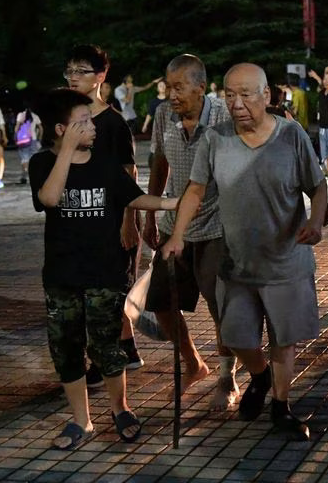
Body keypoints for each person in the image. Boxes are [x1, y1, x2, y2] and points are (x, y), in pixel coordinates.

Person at [163, 63, 327, 441]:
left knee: (284, 340)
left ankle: (282, 406)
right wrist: (177, 236)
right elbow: (195, 190)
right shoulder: (215, 138)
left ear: (266, 96)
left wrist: (316, 222)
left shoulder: (291, 136)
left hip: (285, 260)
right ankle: (259, 375)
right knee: (236, 336)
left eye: (246, 94)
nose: (237, 103)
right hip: (237, 263)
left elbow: (317, 187)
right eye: (229, 95)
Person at [29, 88, 178, 451]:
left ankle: (120, 409)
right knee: (66, 348)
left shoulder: (106, 162)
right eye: (82, 122)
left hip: (105, 272)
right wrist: (66, 153)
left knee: (108, 347)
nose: (91, 126)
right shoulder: (42, 164)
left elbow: (134, 196)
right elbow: (48, 199)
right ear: (61, 129)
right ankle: (82, 420)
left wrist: (173, 202)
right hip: (62, 275)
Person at [142, 54, 239, 411]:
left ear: (201, 87)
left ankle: (228, 377)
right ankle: (192, 362)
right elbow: (159, 162)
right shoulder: (166, 116)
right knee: (161, 304)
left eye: (179, 87)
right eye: (168, 87)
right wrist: (151, 214)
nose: (171, 94)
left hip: (216, 226)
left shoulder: (224, 117)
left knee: (221, 308)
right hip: (172, 226)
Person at [65, 45, 145, 384]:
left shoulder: (113, 123)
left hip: (112, 221)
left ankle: (104, 360)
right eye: (68, 71)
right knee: (99, 291)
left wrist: (129, 222)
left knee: (107, 294)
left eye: (81, 71)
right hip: (80, 219)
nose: (72, 78)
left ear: (100, 77)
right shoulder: (67, 120)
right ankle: (127, 351)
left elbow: (129, 174)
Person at [14, 106, 43, 185]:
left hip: (23, 140)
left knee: (24, 159)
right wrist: (39, 139)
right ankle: (35, 177)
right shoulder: (35, 116)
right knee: (34, 159)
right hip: (33, 139)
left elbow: (17, 127)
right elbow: (41, 128)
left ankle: (24, 177)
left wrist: (16, 137)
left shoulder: (21, 115)